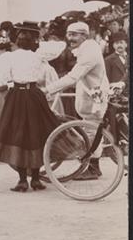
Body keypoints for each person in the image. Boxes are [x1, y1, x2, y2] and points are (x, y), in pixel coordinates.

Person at [0, 23, 61, 192]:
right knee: (36, 135)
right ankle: (35, 179)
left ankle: (22, 180)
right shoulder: (38, 56)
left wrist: (4, 85)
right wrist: (40, 40)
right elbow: (59, 47)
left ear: (17, 42)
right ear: (34, 42)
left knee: (18, 136)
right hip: (34, 95)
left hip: (16, 97)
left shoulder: (10, 57)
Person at [43, 21, 110, 179]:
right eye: (68, 34)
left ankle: (93, 168)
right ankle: (90, 165)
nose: (69, 38)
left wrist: (48, 89)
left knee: (92, 132)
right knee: (89, 131)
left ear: (84, 36)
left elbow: (73, 77)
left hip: (95, 99)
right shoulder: (86, 48)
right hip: (90, 97)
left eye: (73, 34)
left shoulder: (90, 52)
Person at [104, 31, 128, 143]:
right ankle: (116, 143)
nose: (119, 45)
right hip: (117, 96)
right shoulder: (109, 60)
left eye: (121, 42)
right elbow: (106, 79)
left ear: (126, 44)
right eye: (116, 43)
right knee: (115, 120)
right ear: (113, 45)